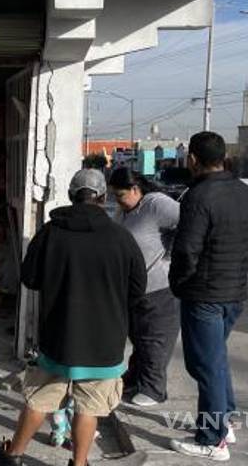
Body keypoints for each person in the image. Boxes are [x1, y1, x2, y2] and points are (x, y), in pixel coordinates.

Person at [0, 169, 146, 466]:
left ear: (72, 196)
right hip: (105, 342)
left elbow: (30, 278)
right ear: (102, 197)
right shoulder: (121, 237)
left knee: (40, 399)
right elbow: (138, 289)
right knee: (90, 408)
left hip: (59, 337)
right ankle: (80, 463)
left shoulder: (50, 233)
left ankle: (13, 456)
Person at [169, 132, 248, 461]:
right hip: (235, 291)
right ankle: (226, 420)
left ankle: (212, 439)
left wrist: (179, 283)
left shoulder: (198, 196)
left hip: (204, 293)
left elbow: (186, 250)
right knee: (216, 360)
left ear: (192, 159)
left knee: (204, 366)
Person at [108, 166, 180, 407]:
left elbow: (189, 224)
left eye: (120, 195)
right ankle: (136, 379)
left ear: (135, 189)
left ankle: (153, 388)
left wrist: (170, 256)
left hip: (158, 286)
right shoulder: (125, 211)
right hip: (132, 288)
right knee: (138, 337)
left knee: (155, 339)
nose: (117, 201)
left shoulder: (156, 204)